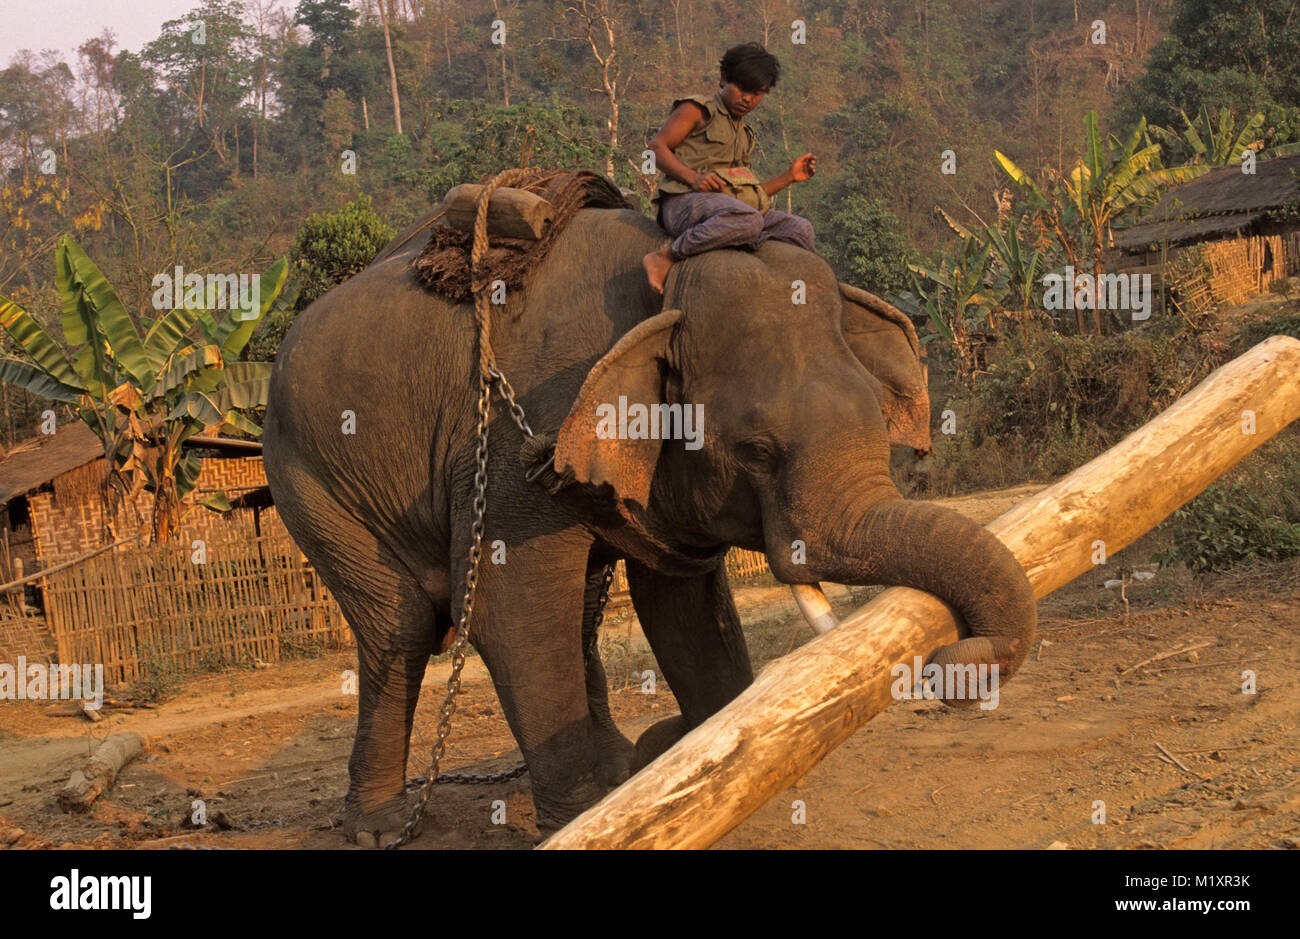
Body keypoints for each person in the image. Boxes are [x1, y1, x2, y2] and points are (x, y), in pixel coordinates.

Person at [643, 42, 817, 294]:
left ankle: (794, 291)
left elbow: (746, 197)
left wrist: (789, 177)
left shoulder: (745, 134)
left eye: (756, 93)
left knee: (800, 229)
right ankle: (666, 257)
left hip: (729, 213)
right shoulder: (697, 110)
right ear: (724, 78)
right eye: (742, 88)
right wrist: (693, 178)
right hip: (683, 203)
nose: (747, 99)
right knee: (748, 220)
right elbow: (654, 149)